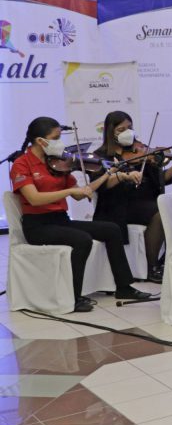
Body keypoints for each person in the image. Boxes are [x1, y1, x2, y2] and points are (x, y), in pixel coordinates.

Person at [9, 117, 152, 312]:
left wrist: (107, 175)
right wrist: (68, 191)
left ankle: (124, 287)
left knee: (111, 229)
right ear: (40, 141)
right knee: (82, 239)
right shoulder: (22, 164)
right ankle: (73, 297)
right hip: (37, 226)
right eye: (55, 138)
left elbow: (80, 194)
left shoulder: (57, 161)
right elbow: (34, 199)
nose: (59, 142)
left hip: (60, 220)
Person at [92, 111, 172, 283]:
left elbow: (160, 179)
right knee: (160, 213)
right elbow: (101, 185)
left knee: (168, 208)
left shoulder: (141, 150)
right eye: (121, 129)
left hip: (144, 201)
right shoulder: (101, 155)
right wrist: (122, 176)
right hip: (118, 205)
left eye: (129, 127)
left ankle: (166, 261)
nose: (127, 132)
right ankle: (151, 267)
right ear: (110, 131)